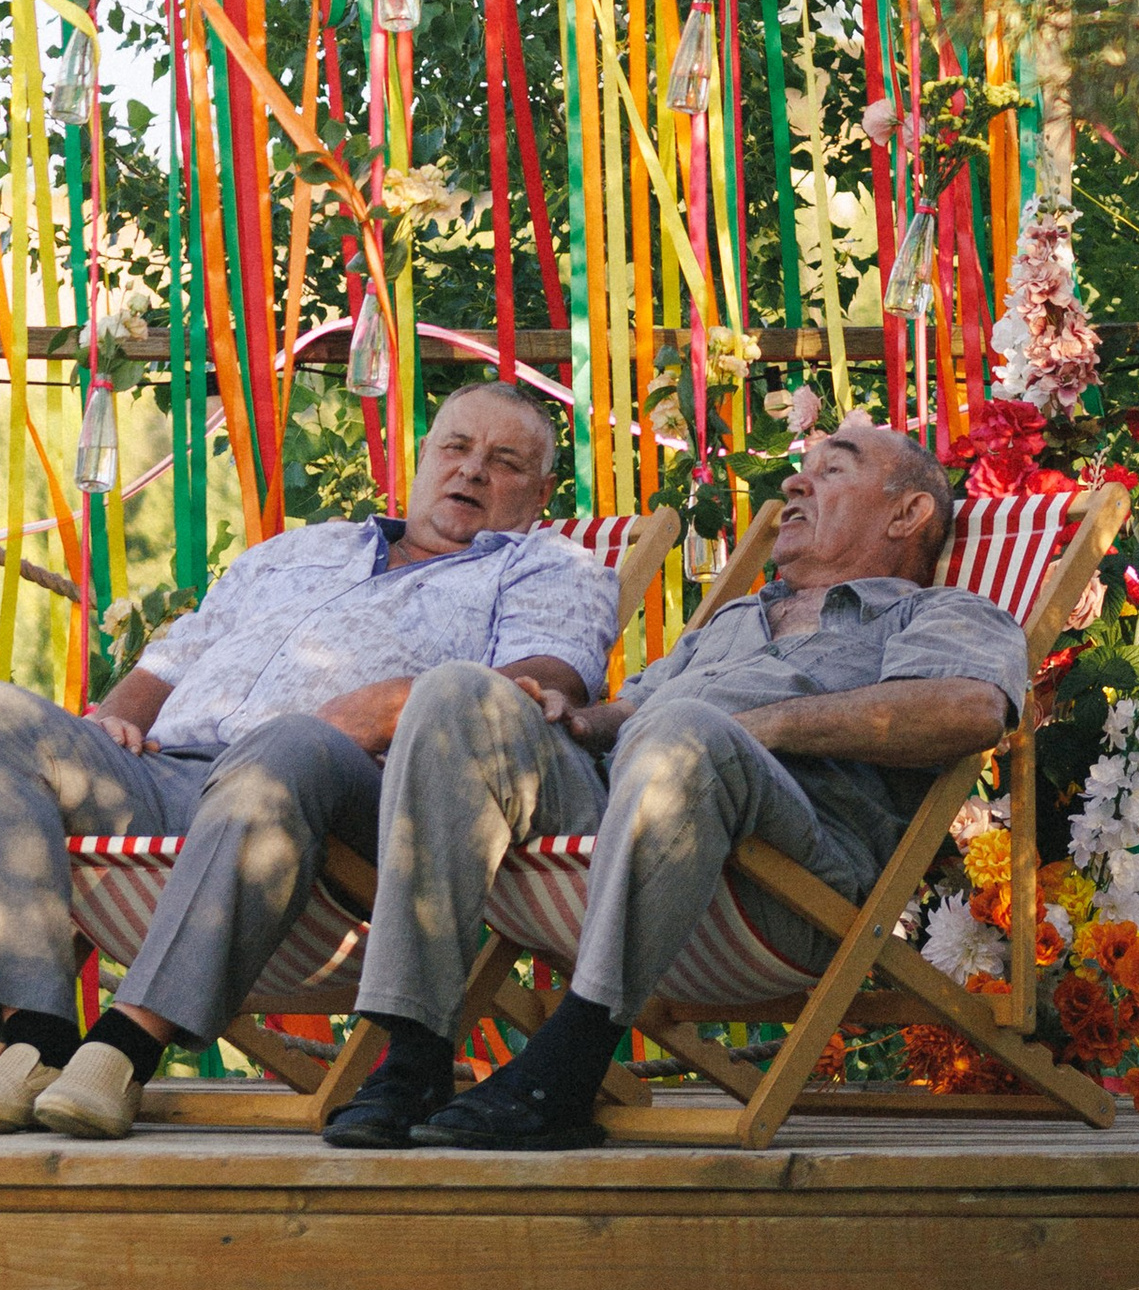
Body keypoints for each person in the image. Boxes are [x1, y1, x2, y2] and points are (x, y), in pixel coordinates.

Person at [0, 377, 619, 1140]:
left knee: (290, 740)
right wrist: (118, 717)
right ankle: (36, 1037)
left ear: (541, 493)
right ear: (422, 458)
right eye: (455, 447)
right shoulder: (301, 549)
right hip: (171, 773)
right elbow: (174, 655)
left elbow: (536, 688)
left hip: (345, 801)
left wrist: (387, 704)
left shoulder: (549, 566)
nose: (472, 470)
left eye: (505, 461)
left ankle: (125, 1046)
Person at [322, 410, 1027, 1151]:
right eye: (803, 469)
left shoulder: (946, 612)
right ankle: (414, 1052)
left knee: (686, 729)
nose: (794, 483)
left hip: (782, 888)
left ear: (907, 514)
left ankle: (570, 1065)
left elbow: (968, 710)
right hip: (628, 830)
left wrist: (766, 727)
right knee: (457, 693)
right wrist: (578, 717)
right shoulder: (732, 620)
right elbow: (631, 711)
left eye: (832, 469)